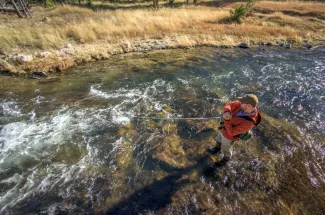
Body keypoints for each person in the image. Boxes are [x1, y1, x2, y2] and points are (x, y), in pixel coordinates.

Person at [207, 94, 261, 167]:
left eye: (242, 102)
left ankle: (226, 158)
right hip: (222, 128)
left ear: (249, 106)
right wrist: (227, 111)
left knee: (226, 148)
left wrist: (226, 120)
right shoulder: (241, 104)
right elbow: (229, 104)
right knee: (218, 139)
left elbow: (231, 133)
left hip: (229, 137)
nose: (240, 102)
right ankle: (217, 148)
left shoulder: (249, 123)